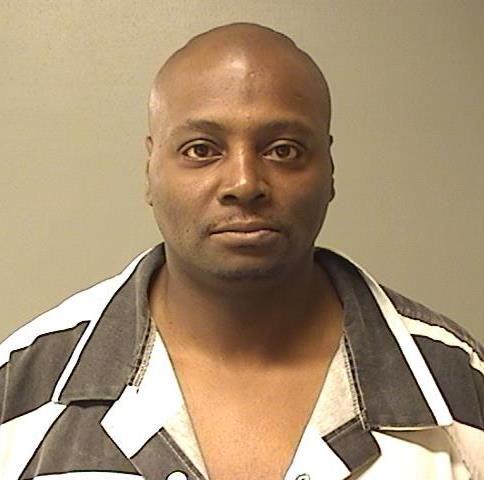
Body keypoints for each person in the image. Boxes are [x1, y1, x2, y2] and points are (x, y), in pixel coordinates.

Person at [0, 22, 482, 480]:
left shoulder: (459, 387)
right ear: (151, 169)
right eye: (201, 149)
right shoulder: (22, 386)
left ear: (329, 169)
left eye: (283, 150)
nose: (245, 183)